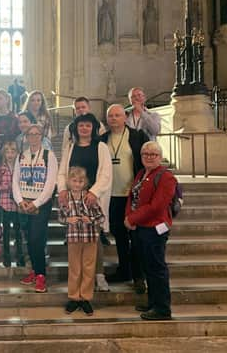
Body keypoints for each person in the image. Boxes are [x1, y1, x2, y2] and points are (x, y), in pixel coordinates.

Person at [57, 113, 112, 292]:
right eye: (81, 125)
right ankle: (76, 283)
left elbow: (105, 173)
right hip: (73, 200)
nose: (84, 128)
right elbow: (62, 172)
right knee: (75, 243)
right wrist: (62, 190)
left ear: (93, 128)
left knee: (94, 240)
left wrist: (94, 193)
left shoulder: (101, 147)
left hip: (91, 200)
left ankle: (99, 275)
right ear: (76, 128)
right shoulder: (70, 147)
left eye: (88, 125)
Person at [125, 141, 175, 321]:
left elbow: (156, 206)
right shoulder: (141, 173)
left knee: (156, 268)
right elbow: (133, 197)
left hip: (155, 229)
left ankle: (162, 308)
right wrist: (129, 217)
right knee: (148, 268)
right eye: (145, 154)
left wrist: (132, 218)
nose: (148, 157)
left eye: (153, 154)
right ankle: (153, 302)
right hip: (140, 228)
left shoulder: (166, 177)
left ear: (160, 157)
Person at [101, 104, 148, 293]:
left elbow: (146, 162)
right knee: (119, 235)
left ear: (125, 117)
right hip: (111, 196)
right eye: (110, 116)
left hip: (132, 196)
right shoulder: (102, 139)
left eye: (117, 115)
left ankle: (138, 275)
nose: (114, 118)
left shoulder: (137, 137)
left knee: (135, 237)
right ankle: (123, 270)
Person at [13, 124, 58, 293]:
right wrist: (19, 201)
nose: (33, 137)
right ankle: (34, 271)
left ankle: (41, 275)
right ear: (26, 137)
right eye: (30, 134)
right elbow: (15, 181)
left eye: (36, 134)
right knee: (29, 239)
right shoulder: (21, 156)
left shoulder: (49, 155)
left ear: (42, 136)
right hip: (24, 203)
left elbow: (50, 183)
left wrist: (36, 203)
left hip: (41, 203)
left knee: (37, 239)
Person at [61, 166, 105, 316]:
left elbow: (101, 217)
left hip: (90, 237)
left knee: (88, 268)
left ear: (85, 182)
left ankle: (85, 298)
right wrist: (68, 219)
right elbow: (60, 217)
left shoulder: (90, 197)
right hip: (73, 238)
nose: (77, 184)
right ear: (69, 181)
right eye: (74, 181)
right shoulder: (65, 198)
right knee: (74, 268)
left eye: (80, 181)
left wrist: (90, 219)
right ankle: (74, 297)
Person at [0, 141, 25, 268]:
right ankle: (6, 258)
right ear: (4, 153)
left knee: (18, 232)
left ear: (17, 153)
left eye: (13, 151)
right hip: (5, 204)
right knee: (6, 232)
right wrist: (6, 187)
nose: (10, 154)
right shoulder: (0, 168)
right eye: (7, 151)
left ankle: (20, 257)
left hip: (18, 205)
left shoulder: (21, 166)